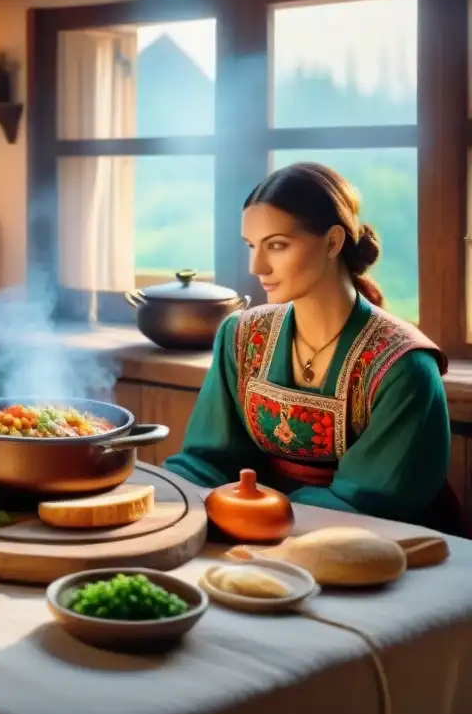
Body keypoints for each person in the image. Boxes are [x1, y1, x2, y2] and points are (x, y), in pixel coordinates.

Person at [164, 162, 466, 536]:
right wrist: (164, 493)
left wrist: (255, 512)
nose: (256, 266)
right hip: (262, 529)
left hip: (381, 546)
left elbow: (369, 502)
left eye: (277, 245)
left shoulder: (403, 366)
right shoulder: (241, 337)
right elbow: (206, 460)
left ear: (333, 242)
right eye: (251, 246)